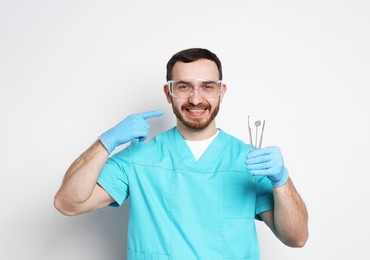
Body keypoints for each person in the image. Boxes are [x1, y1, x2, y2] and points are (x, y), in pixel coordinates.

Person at [54, 48, 308, 259]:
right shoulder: (138, 159)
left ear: (221, 92)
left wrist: (282, 181)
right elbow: (68, 203)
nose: (196, 99)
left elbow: (296, 238)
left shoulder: (250, 161)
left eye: (207, 87)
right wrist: (105, 143)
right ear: (169, 92)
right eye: (184, 87)